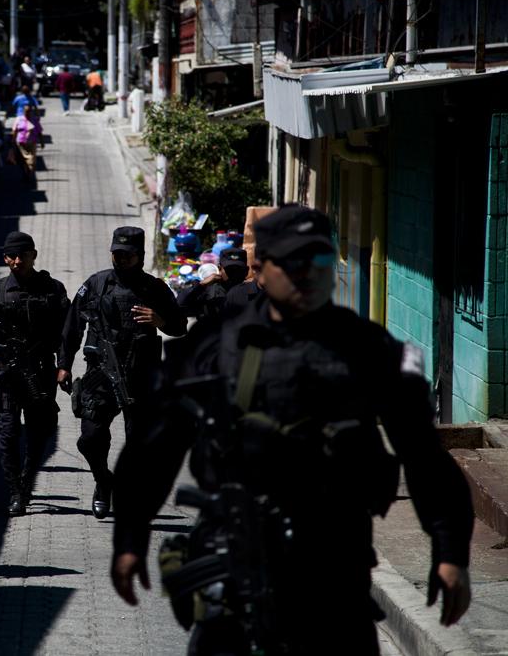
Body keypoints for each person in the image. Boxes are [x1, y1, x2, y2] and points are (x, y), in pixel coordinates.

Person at [111, 205, 474, 655]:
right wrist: (130, 536)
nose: (308, 274)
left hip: (335, 563)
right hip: (234, 564)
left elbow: (423, 455)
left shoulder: (369, 348)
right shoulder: (215, 346)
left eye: (320, 262)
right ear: (259, 268)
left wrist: (450, 549)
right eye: (294, 262)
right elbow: (154, 446)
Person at [58, 227, 187, 519]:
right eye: (117, 253)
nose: (121, 259)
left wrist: (160, 319)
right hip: (101, 373)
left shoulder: (155, 288)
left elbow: (180, 326)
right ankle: (104, 482)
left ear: (140, 256)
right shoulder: (96, 284)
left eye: (127, 255)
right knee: (89, 438)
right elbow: (72, 327)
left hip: (142, 375)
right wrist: (64, 364)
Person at [0, 231, 69, 516]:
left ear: (34, 255)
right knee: (6, 434)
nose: (17, 261)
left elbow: (68, 332)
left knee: (37, 433)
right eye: (11, 257)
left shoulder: (53, 290)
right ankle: (16, 493)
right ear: (5, 258)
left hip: (40, 373)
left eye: (22, 255)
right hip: (5, 373)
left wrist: (64, 365)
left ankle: (27, 481)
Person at [176, 247, 249, 324]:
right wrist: (201, 284)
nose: (234, 274)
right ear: (219, 269)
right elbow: (179, 307)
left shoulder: (255, 292)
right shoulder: (209, 292)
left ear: (246, 271)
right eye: (229, 270)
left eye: (238, 270)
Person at [13, 104, 44, 182]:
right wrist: (13, 141)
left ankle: (28, 172)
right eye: (26, 111)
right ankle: (25, 172)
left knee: (31, 160)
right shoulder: (19, 119)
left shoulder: (35, 120)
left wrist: (42, 142)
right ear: (23, 111)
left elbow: (39, 132)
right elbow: (14, 131)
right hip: (21, 142)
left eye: (29, 111)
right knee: (22, 159)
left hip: (32, 142)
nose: (28, 113)